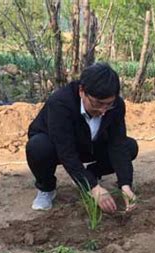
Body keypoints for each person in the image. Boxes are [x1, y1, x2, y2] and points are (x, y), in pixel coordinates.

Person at [26, 62, 138, 212]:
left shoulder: (116, 106)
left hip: (90, 145)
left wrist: (126, 185)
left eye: (108, 104)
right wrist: (93, 188)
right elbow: (66, 152)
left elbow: (117, 144)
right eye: (98, 103)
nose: (103, 111)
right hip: (57, 147)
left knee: (129, 147)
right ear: (81, 91)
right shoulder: (60, 103)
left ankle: (91, 173)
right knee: (38, 147)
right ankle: (46, 188)